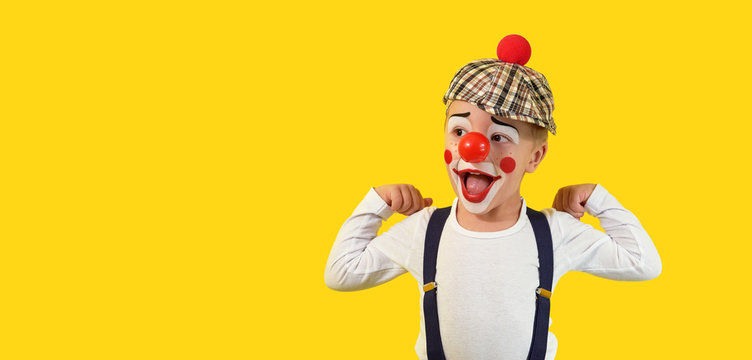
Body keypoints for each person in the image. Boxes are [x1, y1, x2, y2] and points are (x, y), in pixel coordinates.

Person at [324, 34, 662, 360]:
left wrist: (597, 199)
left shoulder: (554, 232)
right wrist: (377, 204)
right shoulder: (426, 230)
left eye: (499, 136)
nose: (473, 148)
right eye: (459, 131)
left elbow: (643, 263)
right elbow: (340, 273)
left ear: (535, 158)